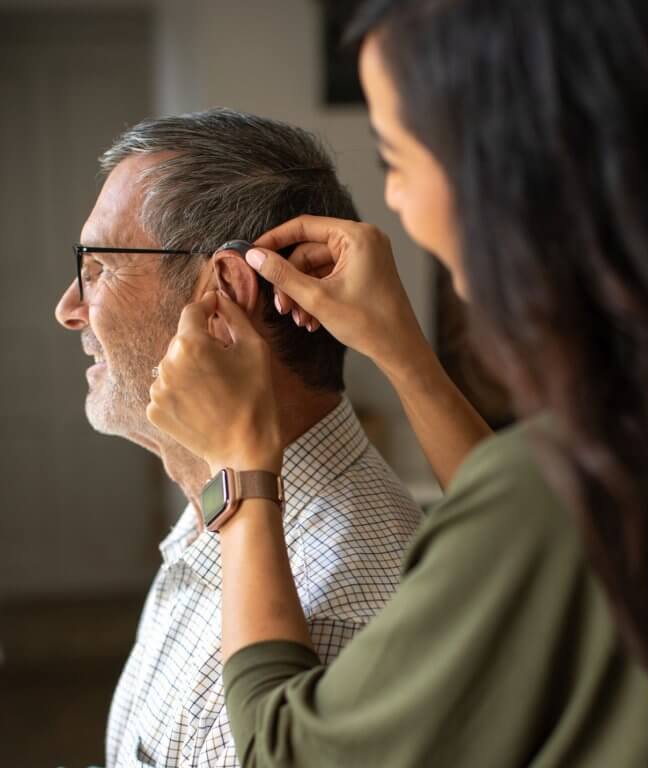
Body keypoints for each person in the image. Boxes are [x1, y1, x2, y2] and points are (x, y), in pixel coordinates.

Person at [147, 0, 648, 764]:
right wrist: (404, 353)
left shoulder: (568, 481)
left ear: (511, 177)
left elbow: (288, 752)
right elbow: (563, 539)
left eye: (395, 159)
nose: (396, 204)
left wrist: (241, 469)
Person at [53, 108, 422, 768]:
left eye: (100, 266)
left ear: (221, 294)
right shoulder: (218, 523)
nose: (69, 307)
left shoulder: (328, 614)